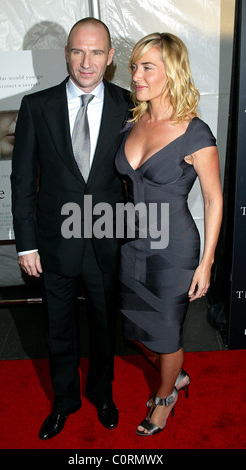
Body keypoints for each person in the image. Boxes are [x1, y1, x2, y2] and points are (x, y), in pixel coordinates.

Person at [11, 17, 131, 439]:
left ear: (111, 57)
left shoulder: (129, 104)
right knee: (58, 328)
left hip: (105, 242)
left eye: (96, 52)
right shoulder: (36, 106)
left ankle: (102, 394)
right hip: (53, 243)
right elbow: (23, 180)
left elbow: (136, 180)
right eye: (78, 51)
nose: (86, 61)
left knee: (103, 326)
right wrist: (26, 245)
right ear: (66, 53)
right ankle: (64, 402)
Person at [115, 32, 223, 436]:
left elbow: (214, 200)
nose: (136, 75)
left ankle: (164, 398)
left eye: (147, 67)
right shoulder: (134, 121)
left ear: (171, 71)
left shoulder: (196, 133)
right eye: (134, 66)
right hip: (132, 244)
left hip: (174, 249)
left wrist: (206, 262)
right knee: (134, 328)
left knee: (164, 332)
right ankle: (174, 373)